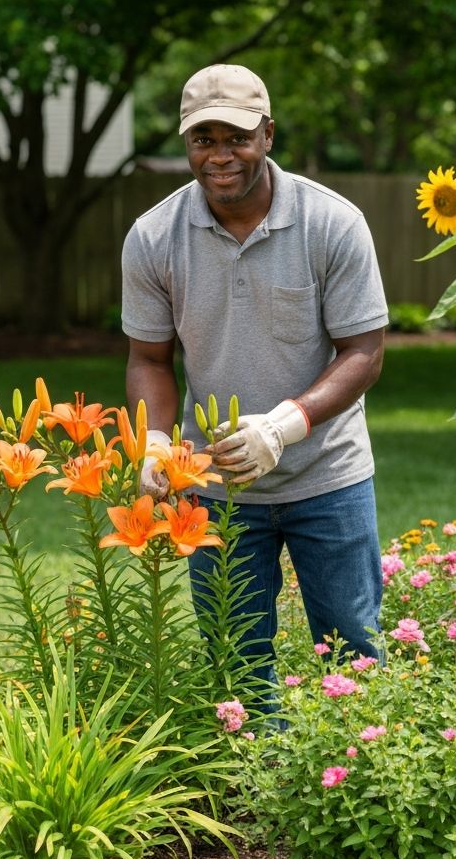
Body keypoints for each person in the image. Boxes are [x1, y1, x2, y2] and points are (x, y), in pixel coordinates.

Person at [120, 62, 388, 696]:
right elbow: (149, 359)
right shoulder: (154, 237)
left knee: (352, 649)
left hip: (328, 476)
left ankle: (360, 781)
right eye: (202, 139)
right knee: (235, 659)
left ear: (268, 134)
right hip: (215, 486)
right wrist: (157, 444)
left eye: (236, 137)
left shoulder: (333, 224)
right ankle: (256, 792)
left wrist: (281, 426)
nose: (220, 156)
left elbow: (364, 352)